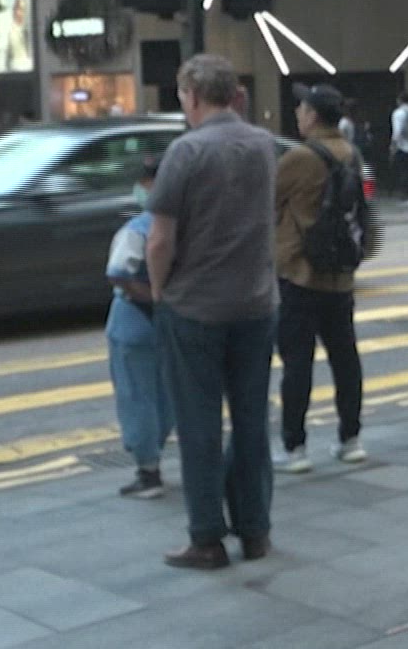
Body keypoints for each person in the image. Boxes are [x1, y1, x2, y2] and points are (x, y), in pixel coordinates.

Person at [146, 53, 279, 570]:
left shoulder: (186, 151)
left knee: (199, 423)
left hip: (196, 305)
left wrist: (159, 290)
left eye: (183, 95)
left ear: (194, 96)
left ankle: (206, 537)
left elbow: (160, 239)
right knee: (250, 419)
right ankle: (256, 530)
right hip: (256, 302)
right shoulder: (263, 145)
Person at [273, 83, 368, 474]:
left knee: (297, 362)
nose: (297, 113)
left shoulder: (299, 157)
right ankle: (350, 439)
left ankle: (295, 447)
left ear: (312, 116)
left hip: (301, 274)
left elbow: (268, 199)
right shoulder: (352, 152)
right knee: (345, 358)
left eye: (301, 108)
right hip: (340, 276)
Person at [104, 155, 175, 500]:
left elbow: (118, 273)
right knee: (165, 394)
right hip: (174, 320)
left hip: (134, 318)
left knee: (136, 394)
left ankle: (148, 471)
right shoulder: (189, 223)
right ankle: (155, 452)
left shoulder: (138, 228)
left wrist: (151, 297)